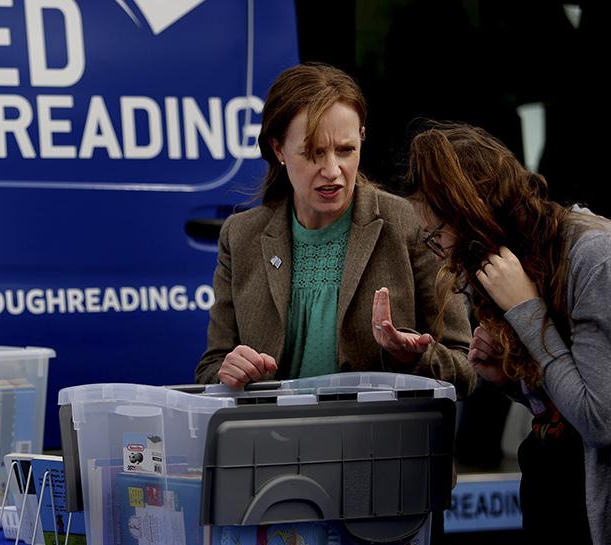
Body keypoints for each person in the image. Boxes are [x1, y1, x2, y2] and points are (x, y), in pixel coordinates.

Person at [406, 121, 611, 545]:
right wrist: (509, 380)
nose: (440, 250)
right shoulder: (522, 258)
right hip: (552, 487)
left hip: (595, 504)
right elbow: (563, 407)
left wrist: (526, 311)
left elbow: (601, 420)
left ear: (472, 214)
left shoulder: (596, 256)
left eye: (439, 231)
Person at [194, 63, 475, 394]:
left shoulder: (409, 224)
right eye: (313, 153)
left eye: (346, 150)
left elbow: (465, 370)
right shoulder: (240, 235)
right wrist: (231, 371)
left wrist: (410, 357)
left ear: (362, 139)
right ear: (278, 149)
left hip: (378, 441)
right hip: (273, 440)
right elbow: (210, 371)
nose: (332, 170)